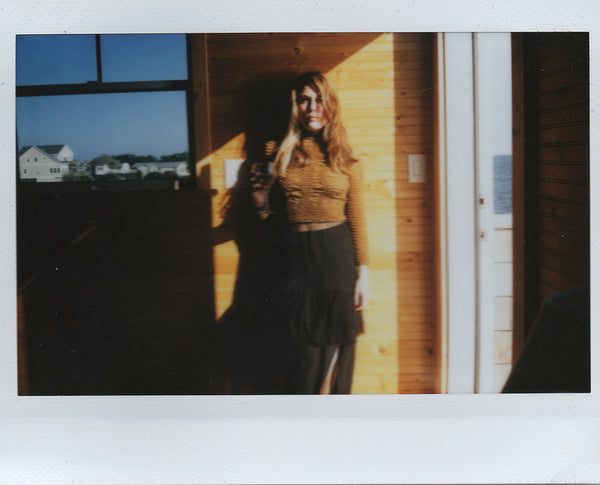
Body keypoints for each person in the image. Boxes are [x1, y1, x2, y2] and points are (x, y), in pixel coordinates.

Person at [252, 71, 369, 394]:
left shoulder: (347, 157)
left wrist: (364, 274)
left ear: (330, 104)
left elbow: (357, 218)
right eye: (304, 100)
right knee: (301, 358)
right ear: (295, 107)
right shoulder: (278, 153)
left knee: (336, 352)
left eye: (319, 99)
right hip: (294, 260)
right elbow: (267, 220)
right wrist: (260, 204)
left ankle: (334, 424)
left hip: (336, 256)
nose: (312, 107)